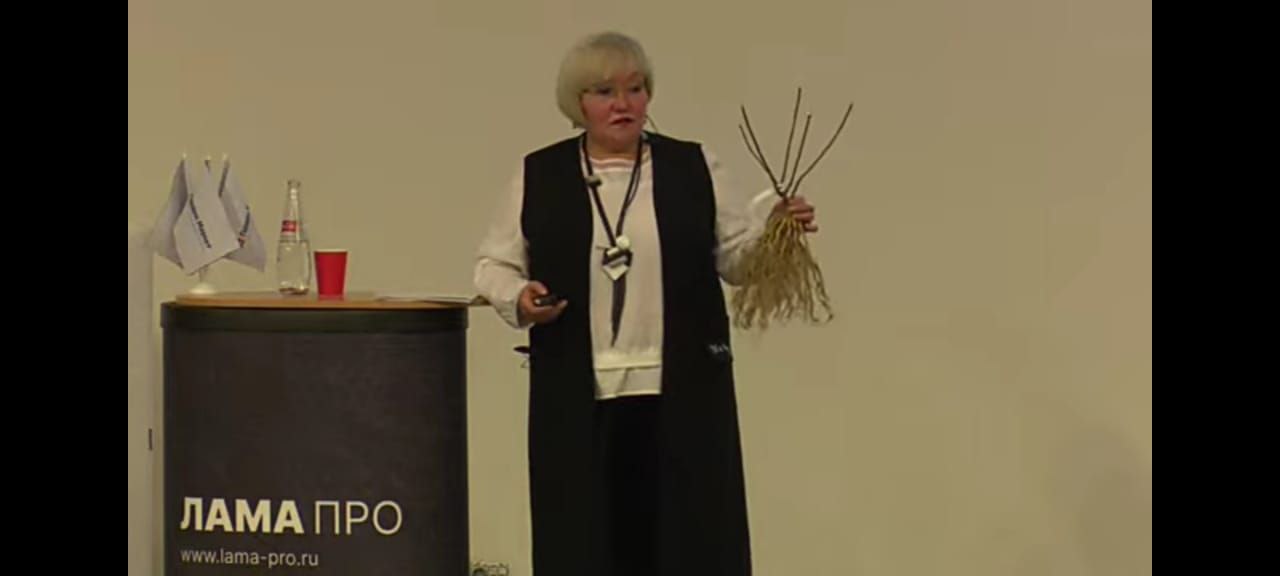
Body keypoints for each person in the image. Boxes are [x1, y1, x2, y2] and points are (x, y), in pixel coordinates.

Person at [473, 31, 817, 575]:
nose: (623, 104)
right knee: (586, 545)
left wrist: (775, 234)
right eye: (605, 91)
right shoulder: (539, 174)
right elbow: (493, 265)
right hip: (579, 397)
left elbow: (735, 261)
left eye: (635, 89)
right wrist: (518, 297)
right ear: (577, 102)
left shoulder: (693, 166)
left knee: (690, 543)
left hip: (683, 392)